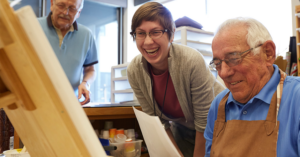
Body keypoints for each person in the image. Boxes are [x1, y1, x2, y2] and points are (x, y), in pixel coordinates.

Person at [127, 2, 225, 157]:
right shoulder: (134, 71)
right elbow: (158, 123)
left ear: (171, 34)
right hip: (183, 129)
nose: (147, 41)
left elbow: (204, 122)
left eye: (155, 32)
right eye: (140, 33)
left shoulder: (191, 61)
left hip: (219, 125)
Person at [204, 17, 300, 157]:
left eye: (233, 58)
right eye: (217, 63)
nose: (223, 73)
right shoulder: (218, 105)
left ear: (268, 53)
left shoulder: (296, 99)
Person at [38, 0, 98, 105]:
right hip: (35, 103)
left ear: (79, 12)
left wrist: (85, 84)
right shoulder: (32, 26)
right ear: (52, 4)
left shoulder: (87, 35)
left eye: (72, 8)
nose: (65, 12)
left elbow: (90, 70)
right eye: (61, 6)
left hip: (71, 105)